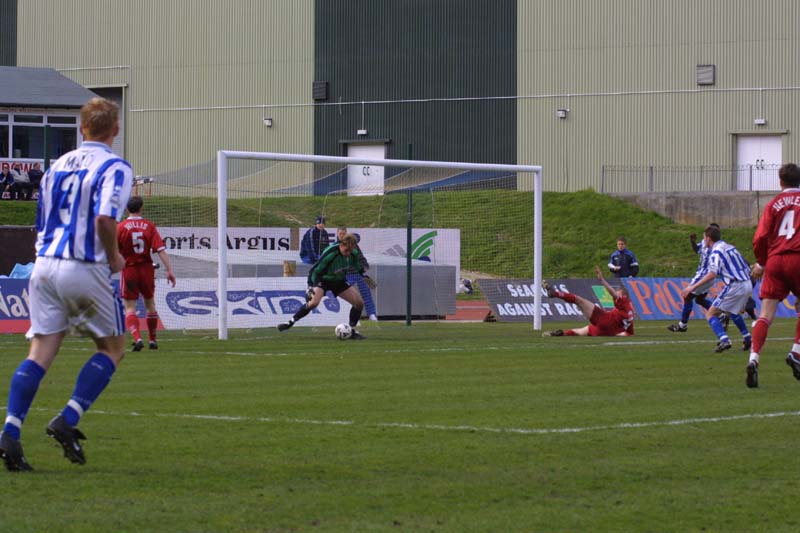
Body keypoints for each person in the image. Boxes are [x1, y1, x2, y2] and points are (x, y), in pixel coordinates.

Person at [0, 97, 133, 471]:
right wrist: (113, 257)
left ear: (81, 128)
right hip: (83, 265)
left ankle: (10, 431)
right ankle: (67, 419)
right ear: (115, 130)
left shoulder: (55, 166)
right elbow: (106, 220)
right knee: (112, 348)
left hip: (44, 264)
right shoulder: (115, 167)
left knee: (40, 351)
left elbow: (41, 220)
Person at [749, 163, 800, 389]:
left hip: (775, 260)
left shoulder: (772, 205)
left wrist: (761, 262)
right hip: (798, 257)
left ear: (780, 181)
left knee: (765, 314)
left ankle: (753, 358)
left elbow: (760, 237)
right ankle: (796, 352)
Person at [278, 233, 376, 339]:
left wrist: (363, 275)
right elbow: (314, 271)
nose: (348, 253)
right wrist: (310, 286)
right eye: (346, 250)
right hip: (323, 280)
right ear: (342, 245)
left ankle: (351, 331)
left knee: (359, 303)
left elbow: (357, 266)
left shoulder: (353, 253)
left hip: (339, 281)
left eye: (350, 250)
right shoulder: (331, 252)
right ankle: (290, 322)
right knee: (313, 303)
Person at [679, 225, 752, 357]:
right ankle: (748, 339)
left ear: (708, 239)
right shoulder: (730, 247)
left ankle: (724, 340)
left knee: (711, 314)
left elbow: (713, 273)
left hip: (735, 285)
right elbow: (745, 265)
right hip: (746, 283)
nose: (703, 240)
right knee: (732, 312)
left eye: (704, 238)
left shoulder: (716, 251)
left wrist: (692, 287)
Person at [117, 195, 177, 351]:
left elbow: (112, 251)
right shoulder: (149, 226)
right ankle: (152, 340)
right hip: (146, 269)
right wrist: (169, 270)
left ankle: (137, 338)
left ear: (127, 209)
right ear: (141, 208)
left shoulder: (121, 227)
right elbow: (161, 250)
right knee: (150, 304)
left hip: (129, 268)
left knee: (130, 306)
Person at [543, 265, 635, 337]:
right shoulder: (630, 314)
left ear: (624, 296)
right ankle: (562, 333)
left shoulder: (624, 302)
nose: (616, 295)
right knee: (580, 331)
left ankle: (555, 293)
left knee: (579, 300)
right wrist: (616, 334)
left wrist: (602, 280)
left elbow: (613, 294)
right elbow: (630, 333)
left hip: (604, 320)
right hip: (605, 332)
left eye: (619, 293)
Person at [667, 224, 720, 333]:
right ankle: (721, 314)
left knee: (687, 296)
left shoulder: (715, 247)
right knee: (699, 299)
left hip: (704, 275)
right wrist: (692, 241)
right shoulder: (706, 242)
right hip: (706, 275)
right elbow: (698, 250)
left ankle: (683, 325)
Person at [335, 226, 377, 322]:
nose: (342, 235)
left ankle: (372, 314)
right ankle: (348, 316)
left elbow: (361, 257)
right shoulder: (335, 247)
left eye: (344, 233)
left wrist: (364, 266)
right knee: (347, 295)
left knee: (366, 292)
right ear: (337, 234)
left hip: (357, 274)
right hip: (344, 275)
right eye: (340, 234)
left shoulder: (354, 245)